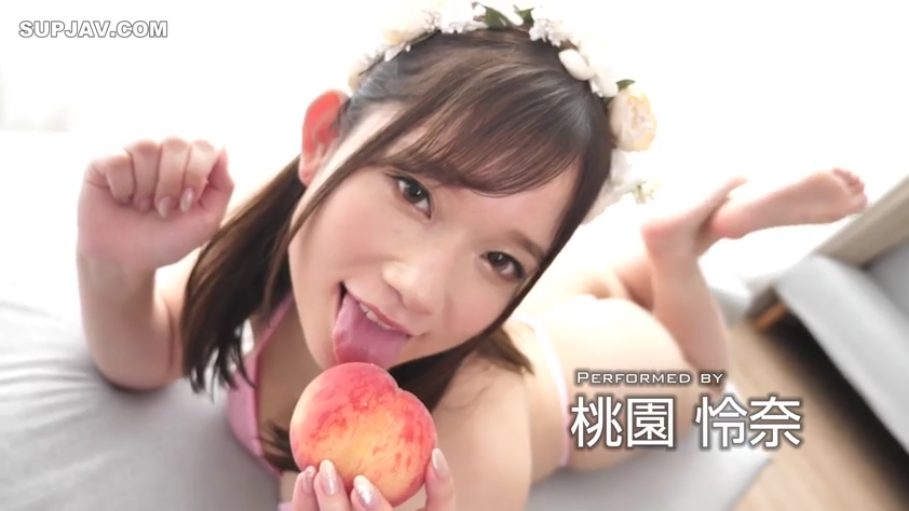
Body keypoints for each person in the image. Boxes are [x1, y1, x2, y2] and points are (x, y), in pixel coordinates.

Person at [75, 2, 868, 511]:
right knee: (569, 277)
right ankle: (643, 250)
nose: (415, 289)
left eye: (501, 259)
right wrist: (113, 260)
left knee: (699, 378)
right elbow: (145, 351)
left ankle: (678, 249)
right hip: (524, 312)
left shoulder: (459, 453)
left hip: (591, 374)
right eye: (414, 192)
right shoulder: (282, 243)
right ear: (322, 141)